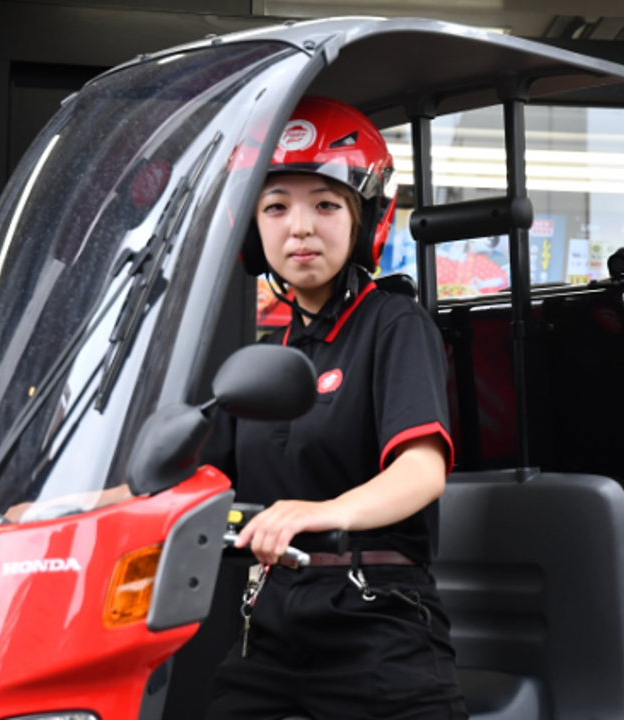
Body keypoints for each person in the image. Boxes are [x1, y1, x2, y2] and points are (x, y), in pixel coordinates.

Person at [199, 96, 468, 720]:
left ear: (363, 218)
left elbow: (422, 472)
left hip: (377, 625)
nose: (299, 227)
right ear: (252, 229)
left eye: (325, 203)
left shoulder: (394, 325)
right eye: (276, 206)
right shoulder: (268, 357)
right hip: (270, 629)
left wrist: (315, 514)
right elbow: (189, 477)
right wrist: (60, 509)